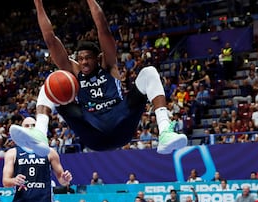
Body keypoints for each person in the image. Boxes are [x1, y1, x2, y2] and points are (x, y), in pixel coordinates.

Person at [10, 0, 187, 156]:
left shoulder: (108, 65)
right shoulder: (73, 72)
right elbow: (50, 40)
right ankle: (40, 134)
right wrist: (39, 5)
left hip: (120, 120)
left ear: (98, 57)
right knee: (52, 84)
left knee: (149, 72)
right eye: (80, 58)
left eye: (88, 58)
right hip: (91, 128)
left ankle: (165, 131)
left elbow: (102, 26)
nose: (84, 62)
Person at [2, 117, 73, 202]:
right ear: (21, 129)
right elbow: (5, 182)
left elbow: (62, 181)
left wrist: (66, 179)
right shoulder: (12, 153)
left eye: (33, 125)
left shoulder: (50, 152)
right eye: (27, 126)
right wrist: (14, 180)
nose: (30, 128)